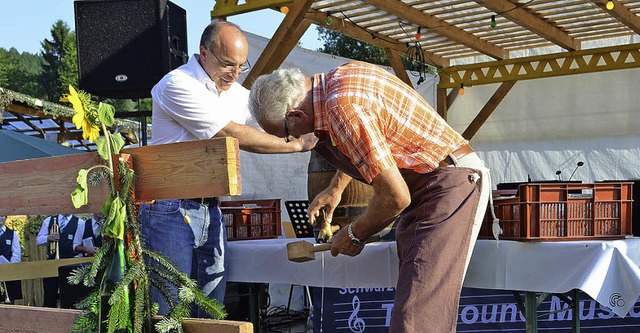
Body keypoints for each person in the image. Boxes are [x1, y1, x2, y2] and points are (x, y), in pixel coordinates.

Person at [248, 61, 492, 332]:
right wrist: (335, 188)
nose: (292, 138)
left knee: (416, 319)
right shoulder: (337, 81)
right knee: (414, 313)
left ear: (295, 115)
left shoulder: (343, 108)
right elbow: (371, 146)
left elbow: (395, 197)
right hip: (431, 184)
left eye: (285, 134)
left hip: (448, 184)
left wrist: (354, 234)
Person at [141, 20, 314, 317]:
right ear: (203, 53)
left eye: (240, 66)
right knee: (170, 312)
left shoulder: (235, 92)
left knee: (212, 310)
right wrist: (295, 145)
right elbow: (228, 132)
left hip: (211, 208)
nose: (234, 74)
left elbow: (266, 119)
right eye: (227, 65)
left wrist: (299, 119)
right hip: (169, 209)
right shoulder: (177, 84)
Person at [36, 214, 86, 307]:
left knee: (70, 296)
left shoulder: (80, 223)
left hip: (71, 264)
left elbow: (80, 244)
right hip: (51, 264)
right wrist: (48, 238)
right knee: (49, 296)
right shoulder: (48, 220)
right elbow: (38, 240)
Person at [0, 215, 22, 303]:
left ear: (5, 218)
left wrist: (10, 267)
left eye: (2, 216)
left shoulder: (13, 234)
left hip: (8, 272)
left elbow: (16, 253)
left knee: (9, 301)